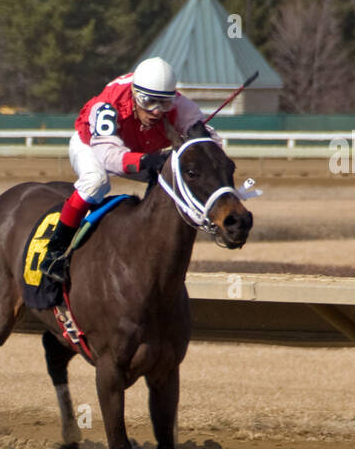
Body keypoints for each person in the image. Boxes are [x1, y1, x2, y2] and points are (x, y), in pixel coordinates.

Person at [37, 57, 221, 284]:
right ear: (135, 93)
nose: (156, 112)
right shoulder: (109, 105)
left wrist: (204, 143)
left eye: (164, 104)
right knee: (96, 182)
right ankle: (53, 253)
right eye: (149, 102)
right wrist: (146, 160)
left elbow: (208, 143)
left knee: (169, 174)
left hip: (134, 149)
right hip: (93, 145)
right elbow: (108, 156)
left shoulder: (180, 107)